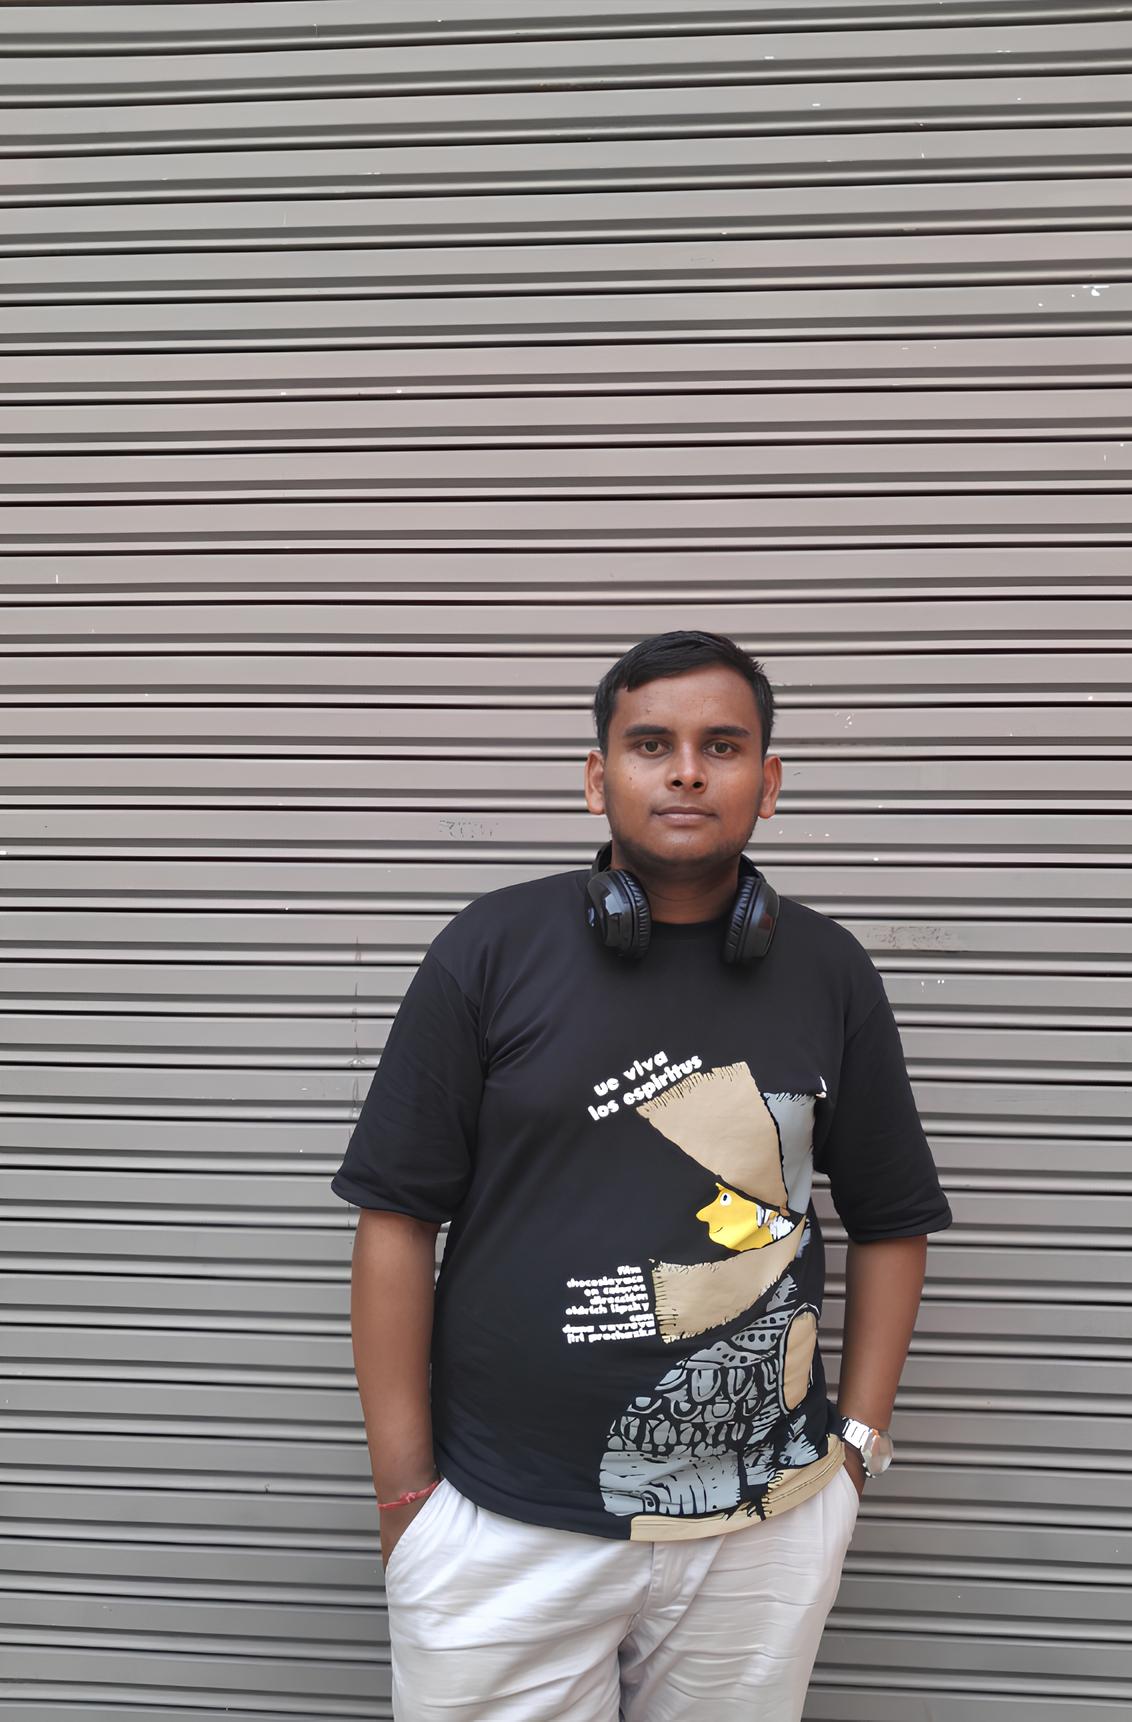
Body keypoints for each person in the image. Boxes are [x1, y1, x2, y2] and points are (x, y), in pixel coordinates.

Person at [331, 629, 954, 1722]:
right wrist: (407, 1498)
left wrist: (854, 1452)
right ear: (596, 777)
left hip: (762, 1524)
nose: (685, 772)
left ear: (768, 784)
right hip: (501, 1526)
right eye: (651, 744)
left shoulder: (831, 971)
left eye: (722, 746)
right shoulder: (488, 950)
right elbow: (395, 1218)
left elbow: (892, 1219)